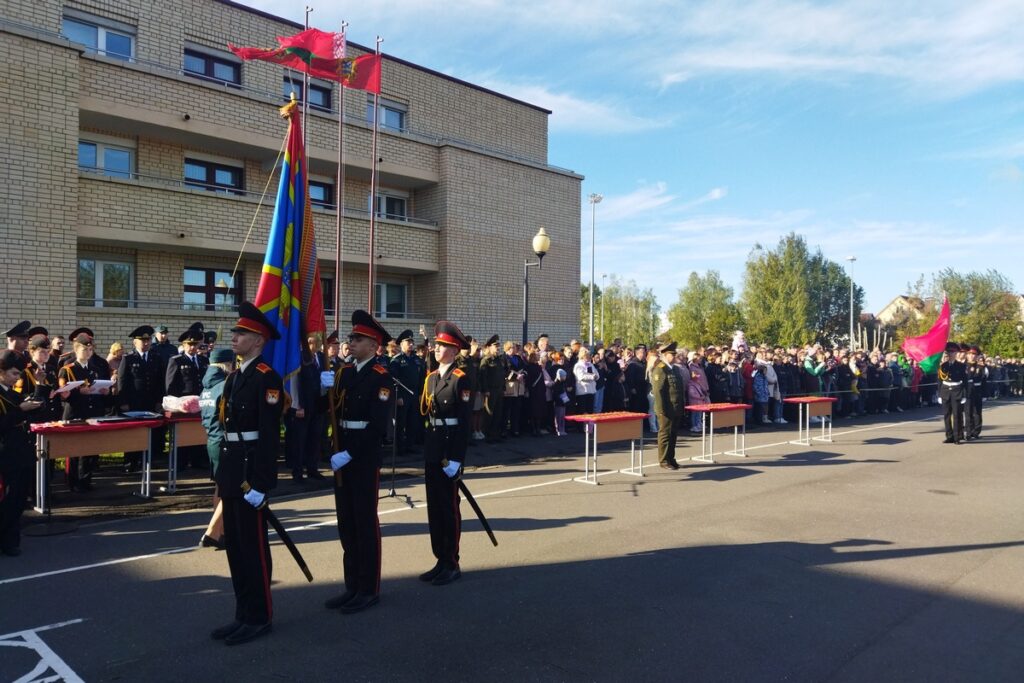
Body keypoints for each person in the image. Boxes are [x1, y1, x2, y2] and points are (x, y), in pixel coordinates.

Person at [209, 302, 284, 646]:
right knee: (236, 547)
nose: (234, 337)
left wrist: (262, 483)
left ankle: (260, 616)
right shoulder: (236, 376)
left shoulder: (267, 377)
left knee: (253, 548)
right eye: (236, 332)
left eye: (242, 333)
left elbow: (269, 436)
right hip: (231, 465)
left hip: (250, 470)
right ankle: (242, 613)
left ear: (258, 340)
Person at [323, 311, 393, 614]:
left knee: (364, 523)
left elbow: (377, 426)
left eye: (357, 338)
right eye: (350, 338)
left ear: (374, 345)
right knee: (346, 523)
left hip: (362, 457)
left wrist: (350, 453)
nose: (350, 342)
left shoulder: (381, 377)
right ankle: (351, 585)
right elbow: (332, 413)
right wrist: (321, 388)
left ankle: (368, 588)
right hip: (343, 455)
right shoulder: (344, 373)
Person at [418, 320, 472, 586]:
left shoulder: (460, 379)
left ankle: (452, 562)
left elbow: (464, 425)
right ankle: (439, 559)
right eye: (436, 345)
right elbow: (428, 416)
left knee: (449, 509)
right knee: (434, 509)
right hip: (433, 449)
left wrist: (457, 459)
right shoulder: (431, 378)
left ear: (453, 350)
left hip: (449, 452)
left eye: (441, 346)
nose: (436, 349)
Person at [0, 350, 43, 556]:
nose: (18, 378)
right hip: (6, 454)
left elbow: (35, 408)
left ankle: (11, 540)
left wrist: (41, 386)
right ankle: (4, 540)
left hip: (21, 452)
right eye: (14, 374)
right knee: (8, 499)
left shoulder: (11, 393)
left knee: (18, 499)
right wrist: (20, 411)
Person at [57, 331, 111, 491]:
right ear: (76, 349)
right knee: (74, 449)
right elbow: (63, 393)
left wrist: (105, 392)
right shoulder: (67, 369)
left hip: (93, 412)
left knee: (90, 449)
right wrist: (77, 392)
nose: (88, 352)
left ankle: (86, 480)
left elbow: (100, 386)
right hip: (75, 412)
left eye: (90, 350)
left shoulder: (96, 368)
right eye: (84, 350)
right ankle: (73, 482)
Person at [198, 347, 236, 550]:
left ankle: (223, 531)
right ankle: (213, 531)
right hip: (225, 441)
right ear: (226, 365)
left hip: (212, 440)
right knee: (231, 488)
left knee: (220, 486)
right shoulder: (225, 386)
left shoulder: (206, 387)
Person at [116, 326, 164, 473]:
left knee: (151, 433)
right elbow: (121, 382)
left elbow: (160, 381)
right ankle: (130, 461)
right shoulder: (128, 358)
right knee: (133, 433)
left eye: (148, 340)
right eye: (142, 340)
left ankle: (148, 460)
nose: (146, 343)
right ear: (134, 342)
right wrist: (123, 402)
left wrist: (158, 401)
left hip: (150, 402)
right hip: (133, 402)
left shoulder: (156, 358)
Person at [165, 323, 210, 470]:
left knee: (198, 432)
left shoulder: (203, 361)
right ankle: (180, 462)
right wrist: (174, 403)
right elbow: (170, 384)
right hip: (182, 404)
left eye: (195, 344)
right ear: (184, 345)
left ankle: (198, 460)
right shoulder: (176, 360)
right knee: (182, 436)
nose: (192, 347)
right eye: (189, 344)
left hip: (200, 403)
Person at [285, 333, 327, 483]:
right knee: (299, 442)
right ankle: (297, 472)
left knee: (314, 439)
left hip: (317, 405)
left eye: (317, 343)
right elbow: (294, 382)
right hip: (303, 405)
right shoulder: (300, 357)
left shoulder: (322, 358)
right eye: (311, 343)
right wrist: (297, 406)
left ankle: (312, 469)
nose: (314, 346)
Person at [650, 342, 685, 470]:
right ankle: (664, 460)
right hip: (666, 408)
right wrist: (661, 409)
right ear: (665, 355)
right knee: (665, 434)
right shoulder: (660, 368)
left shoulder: (674, 369)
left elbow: (679, 389)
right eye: (672, 354)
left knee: (673, 434)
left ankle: (671, 458)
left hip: (675, 407)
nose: (675, 356)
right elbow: (658, 391)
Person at [390, 329, 425, 455]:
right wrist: (398, 396)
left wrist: (421, 393)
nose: (411, 344)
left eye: (412, 342)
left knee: (413, 421)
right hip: (403, 395)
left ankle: (410, 445)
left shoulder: (416, 359)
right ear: (401, 344)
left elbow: (421, 377)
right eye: (408, 342)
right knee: (401, 422)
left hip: (415, 394)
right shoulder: (396, 360)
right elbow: (393, 379)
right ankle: (401, 447)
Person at [477, 335, 507, 443]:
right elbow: (482, 376)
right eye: (495, 346)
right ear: (489, 347)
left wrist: (503, 387)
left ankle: (495, 434)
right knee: (489, 413)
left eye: (498, 346)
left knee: (498, 413)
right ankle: (487, 434)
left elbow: (502, 374)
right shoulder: (486, 360)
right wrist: (485, 390)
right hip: (490, 390)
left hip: (498, 390)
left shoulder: (499, 360)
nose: (497, 348)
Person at [938, 342, 967, 445]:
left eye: (952, 352)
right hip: (945, 391)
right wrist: (939, 394)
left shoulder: (961, 366)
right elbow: (940, 381)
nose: (950, 354)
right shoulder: (943, 365)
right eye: (949, 352)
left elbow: (965, 381)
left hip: (957, 391)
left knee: (956, 415)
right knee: (946, 415)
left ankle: (957, 437)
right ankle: (949, 436)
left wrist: (964, 394)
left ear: (956, 353)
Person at [964, 345, 986, 440]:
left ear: (977, 356)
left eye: (974, 354)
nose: (972, 355)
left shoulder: (980, 367)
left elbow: (984, 382)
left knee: (977, 412)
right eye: (970, 354)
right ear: (967, 355)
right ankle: (968, 432)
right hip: (968, 392)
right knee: (968, 412)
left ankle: (976, 432)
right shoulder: (963, 366)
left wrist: (985, 394)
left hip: (977, 391)